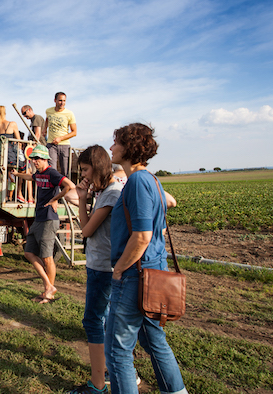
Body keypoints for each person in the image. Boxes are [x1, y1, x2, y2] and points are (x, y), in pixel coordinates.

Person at [105, 123, 187, 394]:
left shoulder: (138, 182)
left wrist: (118, 270)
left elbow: (141, 235)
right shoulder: (152, 179)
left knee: (118, 351)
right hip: (153, 274)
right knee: (154, 342)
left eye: (115, 142)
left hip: (134, 277)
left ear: (128, 148)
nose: (111, 147)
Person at [68, 145, 123, 394]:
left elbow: (87, 230)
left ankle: (98, 384)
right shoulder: (104, 191)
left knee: (93, 320)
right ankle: (110, 371)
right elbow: (87, 226)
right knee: (106, 320)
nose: (84, 176)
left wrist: (81, 199)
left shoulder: (111, 192)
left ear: (98, 166)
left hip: (103, 268)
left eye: (86, 169)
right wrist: (84, 198)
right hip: (100, 264)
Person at [13, 145, 75, 303]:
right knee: (29, 252)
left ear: (45, 159)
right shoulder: (39, 174)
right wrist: (17, 174)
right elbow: (30, 177)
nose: (35, 161)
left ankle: (49, 292)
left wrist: (55, 199)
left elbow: (69, 185)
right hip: (39, 218)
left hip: (48, 219)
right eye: (33, 159)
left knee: (47, 257)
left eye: (37, 159)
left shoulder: (52, 173)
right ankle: (49, 285)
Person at [44, 92, 77, 178]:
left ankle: (65, 190)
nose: (62, 103)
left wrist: (60, 138)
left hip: (65, 145)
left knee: (65, 171)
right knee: (51, 170)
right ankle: (55, 191)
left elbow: (74, 132)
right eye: (60, 100)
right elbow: (47, 120)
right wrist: (44, 129)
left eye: (64, 101)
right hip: (51, 144)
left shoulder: (69, 114)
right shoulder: (49, 111)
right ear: (55, 100)